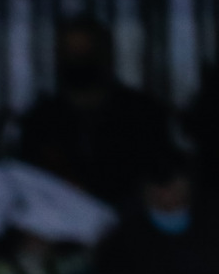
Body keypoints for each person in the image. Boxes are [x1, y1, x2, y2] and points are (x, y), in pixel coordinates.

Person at [17, 14, 175, 208]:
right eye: (70, 51)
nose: (77, 59)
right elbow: (28, 179)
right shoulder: (41, 119)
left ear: (104, 53)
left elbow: (162, 175)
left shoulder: (142, 113)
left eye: (85, 50)